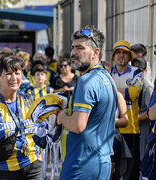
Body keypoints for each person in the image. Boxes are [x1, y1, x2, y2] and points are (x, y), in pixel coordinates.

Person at [57, 25, 117, 179]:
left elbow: (77, 126)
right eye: (72, 48)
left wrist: (61, 116)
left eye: (80, 48)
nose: (73, 53)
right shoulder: (108, 78)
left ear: (96, 52)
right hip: (101, 163)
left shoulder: (86, 81)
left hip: (81, 165)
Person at [111, 40, 144, 180]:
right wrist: (124, 91)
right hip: (110, 129)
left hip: (131, 129)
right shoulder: (107, 73)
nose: (121, 55)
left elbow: (134, 92)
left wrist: (112, 90)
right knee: (112, 170)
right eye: (118, 52)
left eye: (124, 52)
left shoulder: (137, 72)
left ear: (130, 56)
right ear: (113, 56)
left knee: (131, 171)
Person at [131, 57, 153, 160]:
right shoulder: (130, 85)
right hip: (131, 128)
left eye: (140, 72)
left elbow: (150, 112)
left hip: (143, 128)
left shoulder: (147, 87)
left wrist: (133, 119)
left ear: (145, 72)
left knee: (142, 156)